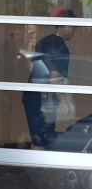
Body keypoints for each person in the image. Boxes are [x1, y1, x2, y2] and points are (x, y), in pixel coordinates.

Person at [22, 9, 76, 149]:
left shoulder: (43, 41)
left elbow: (31, 65)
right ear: (67, 26)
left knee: (39, 138)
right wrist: (65, 101)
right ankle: (38, 170)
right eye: (73, 26)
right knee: (44, 140)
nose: (73, 30)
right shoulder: (60, 47)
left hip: (33, 96)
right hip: (44, 100)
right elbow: (55, 77)